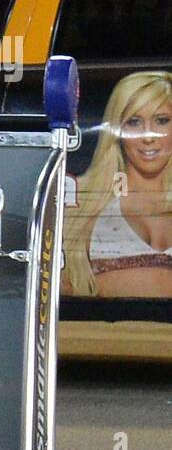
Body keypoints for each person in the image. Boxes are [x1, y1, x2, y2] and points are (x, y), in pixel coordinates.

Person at [63, 70, 172, 298]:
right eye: (134, 122)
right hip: (103, 331)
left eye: (161, 121)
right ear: (117, 130)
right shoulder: (83, 198)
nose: (148, 136)